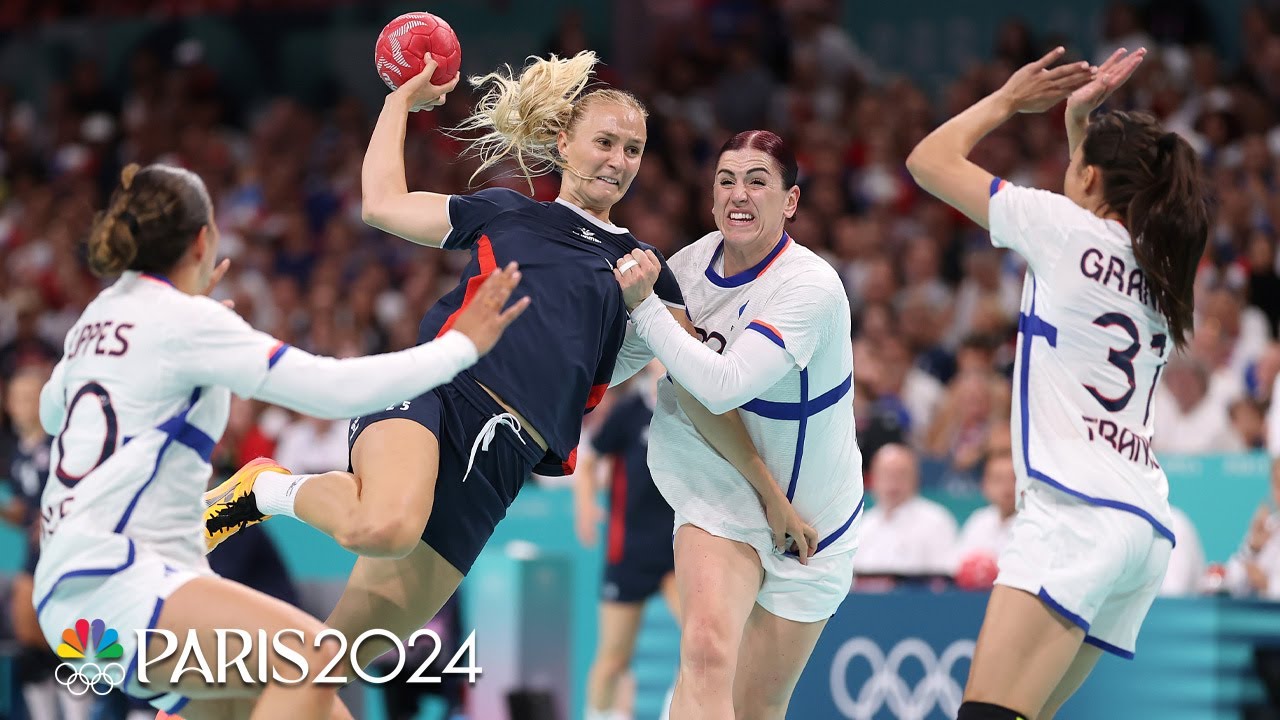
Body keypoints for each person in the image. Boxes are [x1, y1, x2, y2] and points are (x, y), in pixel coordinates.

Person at [204, 52, 774, 683]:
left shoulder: (643, 269)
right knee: (385, 524)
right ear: (563, 142)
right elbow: (382, 203)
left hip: (502, 464)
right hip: (437, 394)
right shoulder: (507, 211)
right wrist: (399, 103)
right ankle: (263, 488)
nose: (619, 161)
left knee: (331, 665)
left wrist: (770, 495)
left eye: (634, 150)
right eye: (605, 142)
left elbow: (698, 389)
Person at [35, 162, 528, 719]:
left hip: (77, 611)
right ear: (203, 241)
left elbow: (53, 414)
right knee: (315, 658)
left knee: (318, 710)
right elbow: (333, 388)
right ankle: (264, 493)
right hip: (118, 581)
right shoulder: (185, 323)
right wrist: (459, 349)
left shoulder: (94, 321)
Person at [905, 46, 1210, 719]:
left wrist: (1010, 100)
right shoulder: (1161, 268)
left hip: (1076, 511)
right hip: (1141, 525)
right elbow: (1095, 202)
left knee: (987, 715)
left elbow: (926, 160)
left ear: (1092, 179)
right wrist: (1081, 133)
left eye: (1077, 164)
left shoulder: (1061, 230)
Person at [613, 129, 864, 720]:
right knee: (703, 652)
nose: (738, 194)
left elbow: (725, 382)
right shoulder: (688, 268)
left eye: (757, 181)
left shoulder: (810, 287)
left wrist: (646, 305)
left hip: (818, 517)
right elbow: (629, 360)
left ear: (791, 201)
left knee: (758, 705)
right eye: (726, 180)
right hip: (719, 480)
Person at [574, 361, 679, 720]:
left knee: (704, 648)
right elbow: (588, 462)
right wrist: (585, 506)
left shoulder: (694, 409)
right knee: (613, 659)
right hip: (630, 552)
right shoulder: (629, 413)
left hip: (680, 552)